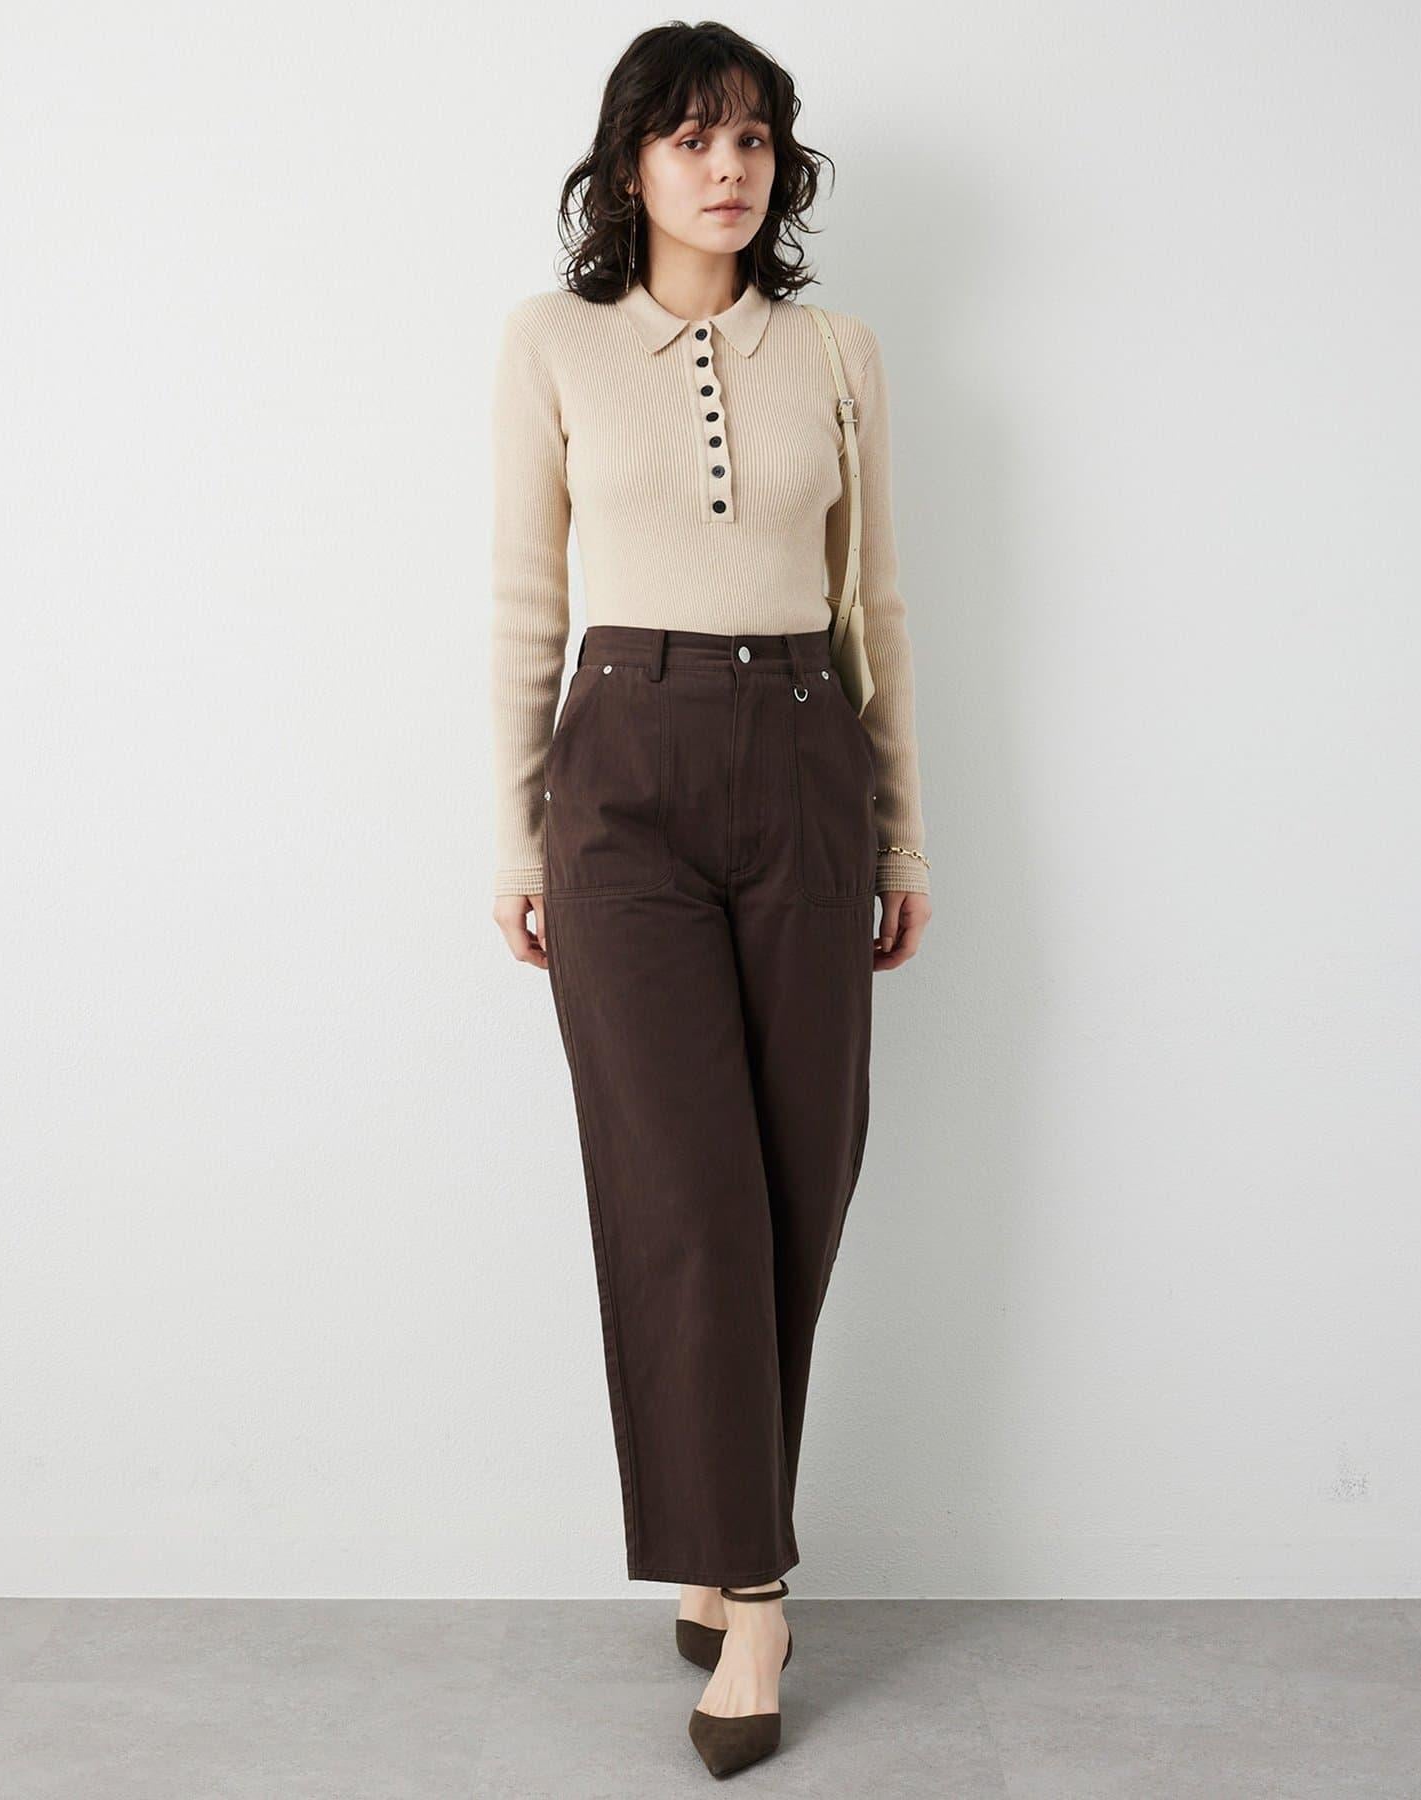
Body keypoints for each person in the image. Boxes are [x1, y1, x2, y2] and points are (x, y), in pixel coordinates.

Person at [488, 21, 932, 1777]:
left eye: (752, 138)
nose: (727, 168)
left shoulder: (837, 353)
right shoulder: (551, 342)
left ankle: (717, 1541)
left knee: (799, 1185)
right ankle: (751, 1597)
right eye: (690, 139)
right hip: (624, 782)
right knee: (686, 1197)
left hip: (808, 762)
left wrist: (906, 839)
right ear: (631, 167)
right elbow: (525, 603)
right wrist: (515, 842)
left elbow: (875, 611)